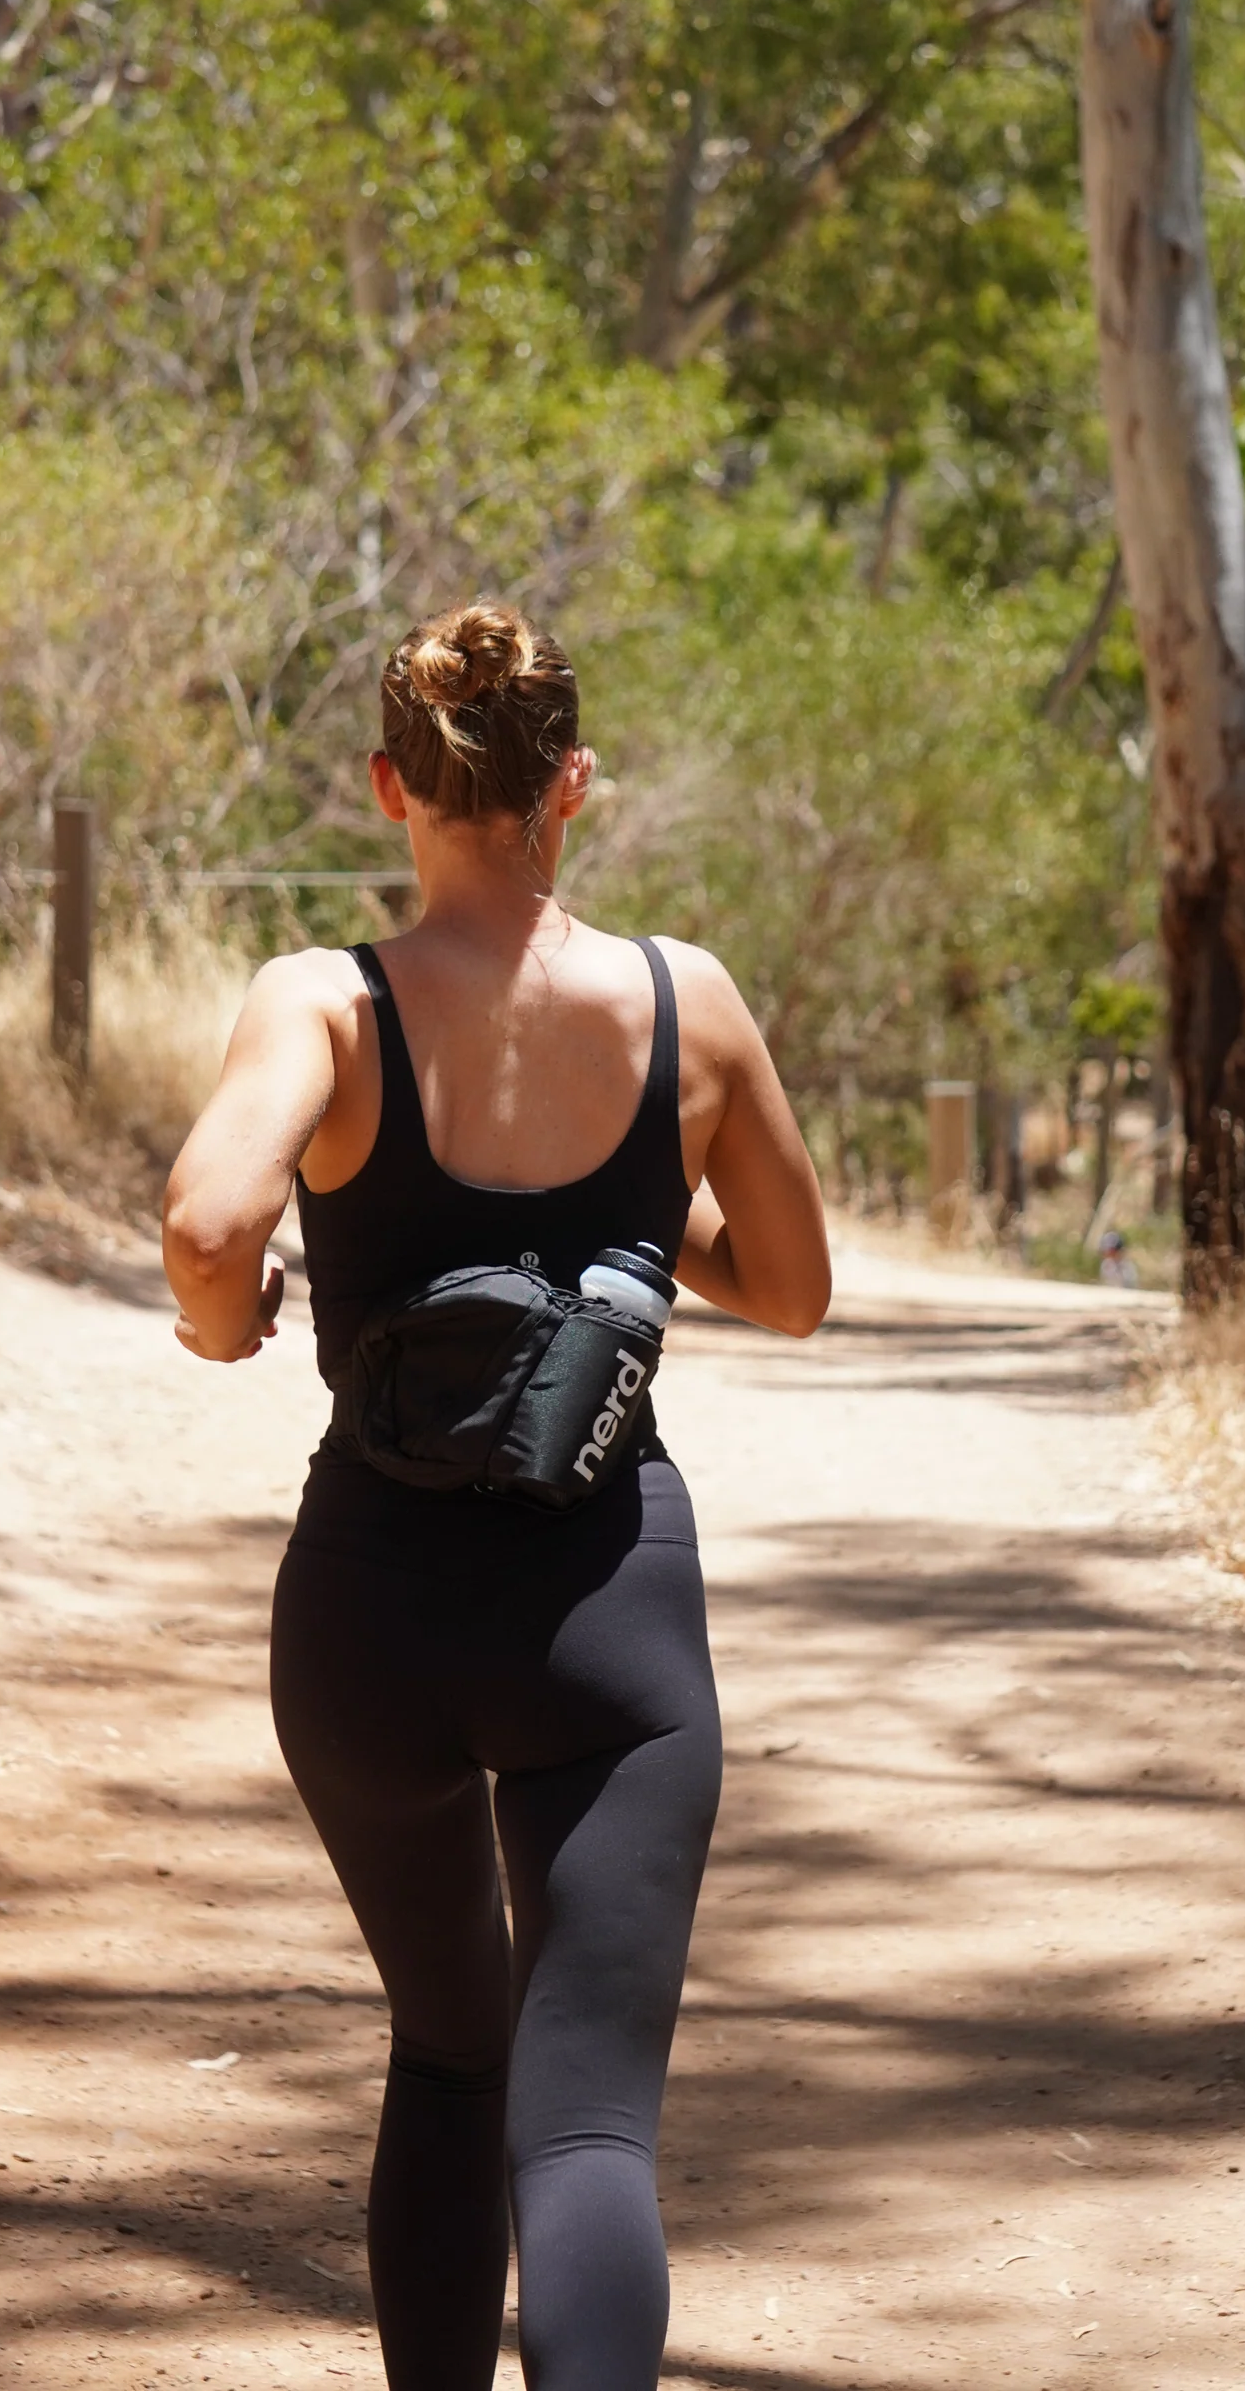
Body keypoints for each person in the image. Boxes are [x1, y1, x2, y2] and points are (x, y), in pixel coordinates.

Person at [161, 600, 831, 2391]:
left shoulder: (325, 1000)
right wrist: (626, 1220)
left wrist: (227, 1333)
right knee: (588, 2118)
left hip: (367, 1612)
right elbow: (792, 1281)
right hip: (602, 1612)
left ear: (394, 786)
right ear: (576, 788)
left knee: (448, 2047)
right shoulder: (686, 1003)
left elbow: (210, 1227)